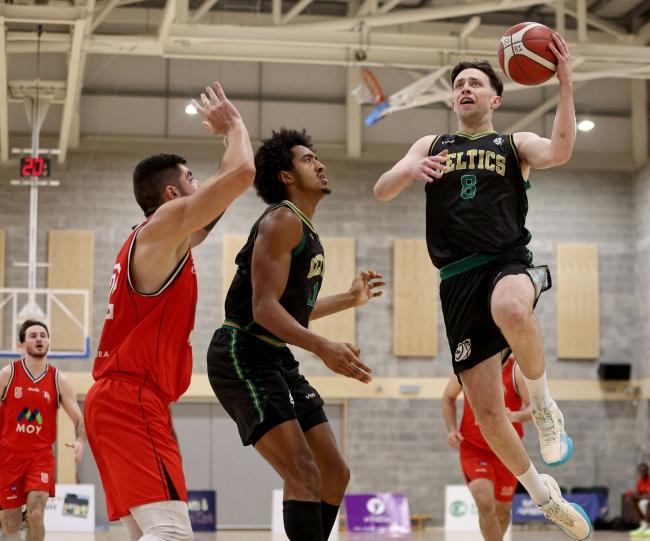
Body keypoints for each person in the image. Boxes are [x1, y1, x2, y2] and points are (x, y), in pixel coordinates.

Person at [373, 35, 591, 541]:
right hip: (455, 279)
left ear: (495, 99)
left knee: (512, 308)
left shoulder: (513, 145)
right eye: (458, 85)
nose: (465, 89)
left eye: (475, 83)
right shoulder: (431, 145)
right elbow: (382, 190)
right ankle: (546, 498)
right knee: (489, 416)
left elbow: (559, 151)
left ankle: (543, 406)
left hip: (505, 260)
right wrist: (407, 169)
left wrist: (564, 85)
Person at [84, 82, 255, 541]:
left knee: (145, 532)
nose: (200, 186)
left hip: (121, 400)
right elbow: (242, 174)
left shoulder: (161, 238)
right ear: (170, 192)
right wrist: (235, 127)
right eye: (191, 179)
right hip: (131, 399)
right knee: (171, 533)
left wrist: (225, 155)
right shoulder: (162, 227)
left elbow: (219, 200)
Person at [207, 128, 383, 541]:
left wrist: (349, 299)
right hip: (241, 352)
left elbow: (292, 313)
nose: (319, 164)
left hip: (274, 356)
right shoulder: (282, 220)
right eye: (307, 159)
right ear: (286, 176)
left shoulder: (304, 229)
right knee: (303, 473)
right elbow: (263, 309)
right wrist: (323, 347)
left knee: (335, 473)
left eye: (316, 157)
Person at [0, 320, 85, 541]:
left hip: (40, 457)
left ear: (48, 342)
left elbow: (78, 418)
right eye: (33, 335)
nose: (39, 339)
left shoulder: (59, 380)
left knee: (37, 513)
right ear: (21, 344)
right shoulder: (7, 374)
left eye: (43, 335)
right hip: (9, 457)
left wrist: (80, 440)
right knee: (10, 522)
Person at [442, 354, 531, 541]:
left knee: (502, 513)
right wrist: (451, 429)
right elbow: (448, 397)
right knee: (484, 503)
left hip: (507, 451)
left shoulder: (516, 371)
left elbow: (536, 408)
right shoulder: (468, 364)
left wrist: (515, 416)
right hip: (474, 449)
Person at [627, 463, 650, 537]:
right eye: (641, 471)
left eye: (644, 471)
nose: (643, 472)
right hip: (645, 499)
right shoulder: (640, 480)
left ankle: (648, 524)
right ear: (639, 472)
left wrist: (639, 497)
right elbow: (639, 493)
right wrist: (632, 495)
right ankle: (642, 524)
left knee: (647, 502)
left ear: (648, 471)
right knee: (632, 501)